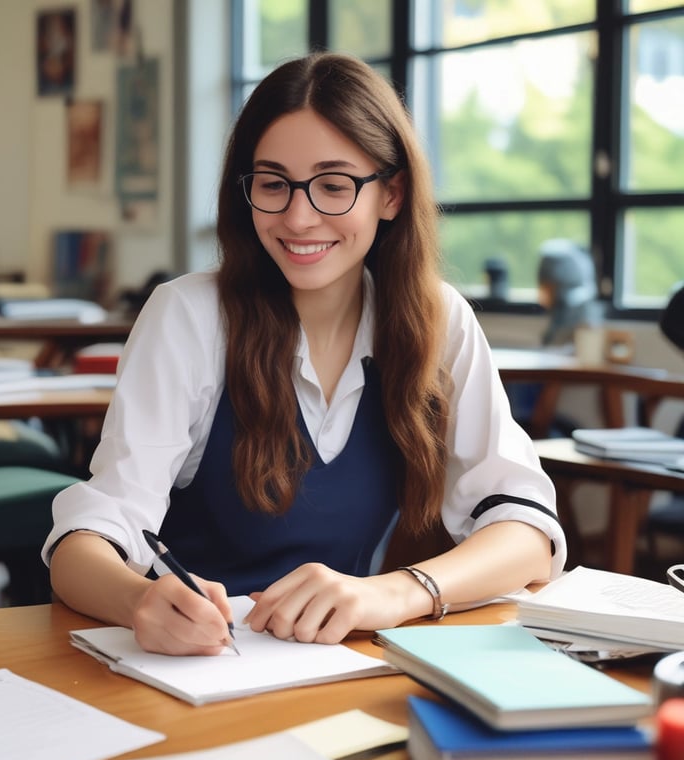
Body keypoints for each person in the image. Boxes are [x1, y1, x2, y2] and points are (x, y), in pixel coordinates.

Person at [43, 52, 566, 656]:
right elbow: (85, 542)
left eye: (334, 186)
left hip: (338, 663)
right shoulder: (189, 315)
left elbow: (528, 529)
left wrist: (396, 594)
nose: (298, 216)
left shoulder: (437, 319)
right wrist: (138, 601)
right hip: (194, 663)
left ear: (391, 194)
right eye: (272, 184)